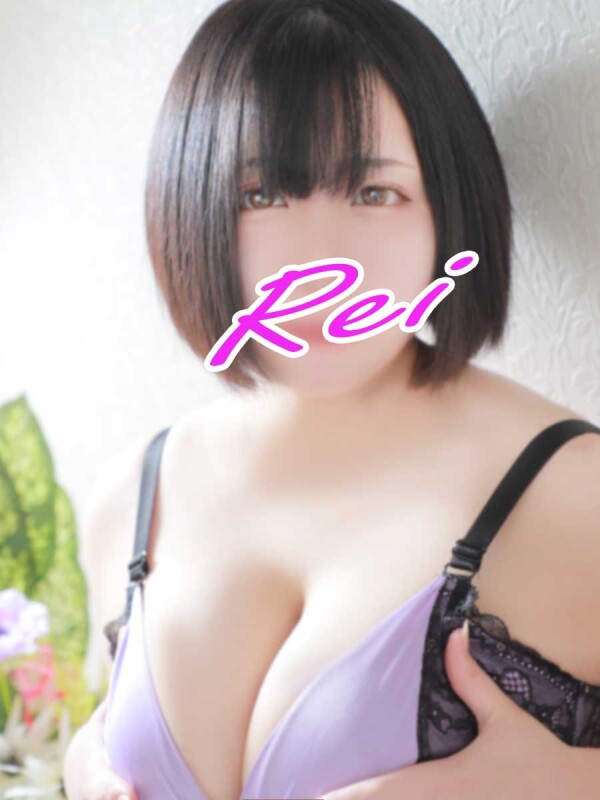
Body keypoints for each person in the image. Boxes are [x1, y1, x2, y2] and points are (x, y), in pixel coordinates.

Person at [63, 1, 600, 798]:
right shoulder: (131, 496)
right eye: (263, 194)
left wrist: (571, 781)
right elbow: (99, 729)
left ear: (449, 210)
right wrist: (83, 761)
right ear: (190, 207)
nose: (320, 259)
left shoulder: (572, 493)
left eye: (374, 193)